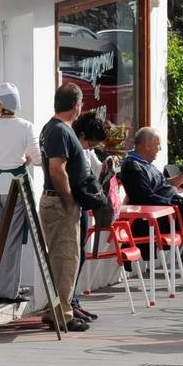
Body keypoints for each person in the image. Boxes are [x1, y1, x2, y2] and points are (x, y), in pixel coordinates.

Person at [38, 83, 91, 332]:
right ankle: (63, 315)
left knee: (59, 260)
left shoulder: (55, 128)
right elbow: (57, 169)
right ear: (75, 105)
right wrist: (69, 201)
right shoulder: (59, 130)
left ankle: (55, 310)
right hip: (60, 203)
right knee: (67, 258)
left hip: (56, 201)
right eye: (80, 104)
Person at [0, 81, 40, 304]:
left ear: (1, 103)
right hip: (16, 190)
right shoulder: (26, 126)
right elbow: (37, 158)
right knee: (12, 241)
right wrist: (24, 160)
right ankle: (8, 291)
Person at [70, 114, 111, 322]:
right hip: (74, 203)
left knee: (81, 254)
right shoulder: (73, 145)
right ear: (82, 135)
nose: (89, 148)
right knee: (73, 255)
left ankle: (74, 300)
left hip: (84, 204)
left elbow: (95, 169)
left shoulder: (85, 149)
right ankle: (70, 302)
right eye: (90, 143)